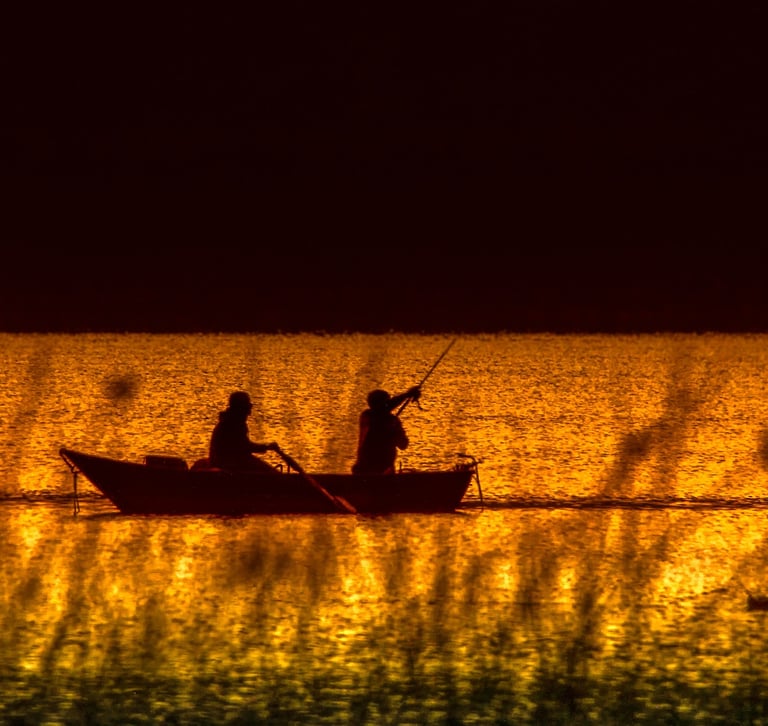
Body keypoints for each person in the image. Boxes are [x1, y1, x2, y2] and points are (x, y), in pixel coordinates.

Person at [352, 385, 421, 474]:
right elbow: (384, 407)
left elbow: (403, 445)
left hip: (384, 469)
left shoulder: (370, 416)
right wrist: (406, 395)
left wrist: (394, 432)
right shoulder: (368, 416)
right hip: (368, 468)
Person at [209, 391, 281, 472]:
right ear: (240, 407)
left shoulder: (231, 421)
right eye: (248, 405)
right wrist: (266, 447)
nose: (250, 408)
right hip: (229, 464)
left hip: (230, 461)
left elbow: (244, 446)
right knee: (270, 472)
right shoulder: (232, 423)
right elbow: (245, 447)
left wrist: (265, 447)